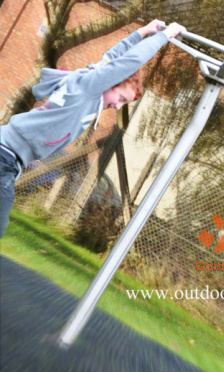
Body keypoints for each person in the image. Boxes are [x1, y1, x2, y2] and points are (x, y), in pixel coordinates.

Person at [0, 20, 186, 237]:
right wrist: (164, 37)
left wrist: (143, 31)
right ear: (109, 83)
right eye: (120, 98)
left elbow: (112, 57)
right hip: (5, 156)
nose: (117, 106)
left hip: (8, 155)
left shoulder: (87, 83)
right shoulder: (88, 89)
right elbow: (127, 62)